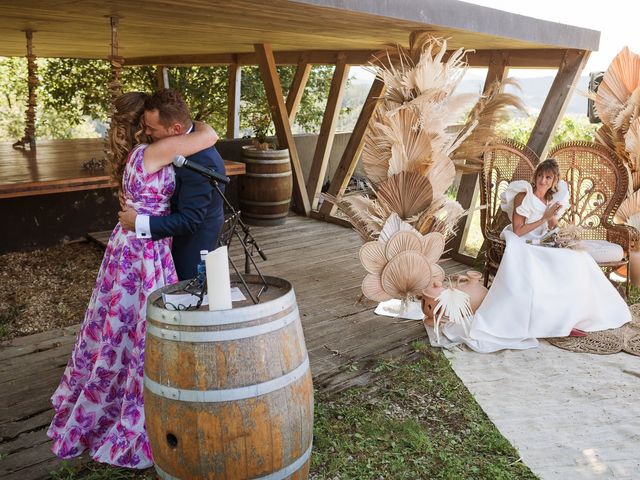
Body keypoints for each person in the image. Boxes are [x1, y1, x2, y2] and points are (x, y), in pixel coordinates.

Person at [47, 92, 219, 468]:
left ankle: (118, 378)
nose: (151, 130)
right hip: (145, 249)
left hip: (134, 244)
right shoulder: (157, 150)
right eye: (150, 126)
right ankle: (133, 393)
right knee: (141, 323)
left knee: (121, 320)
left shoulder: (140, 151)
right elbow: (208, 135)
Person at [444, 158, 631, 353]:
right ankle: (546, 321)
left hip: (542, 242)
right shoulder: (523, 196)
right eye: (540, 175)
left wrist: (560, 230)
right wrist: (544, 217)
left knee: (579, 259)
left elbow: (552, 227)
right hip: (523, 241)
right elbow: (518, 230)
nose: (542, 180)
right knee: (547, 261)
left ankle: (573, 317)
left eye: (548, 177)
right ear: (535, 176)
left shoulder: (550, 200)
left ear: (554, 181)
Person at [118, 89, 226, 281]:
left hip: (192, 245)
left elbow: (191, 220)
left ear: (176, 129)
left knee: (188, 299)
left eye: (152, 128)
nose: (148, 133)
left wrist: (138, 222)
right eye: (145, 126)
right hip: (165, 239)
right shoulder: (174, 144)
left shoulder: (202, 160)